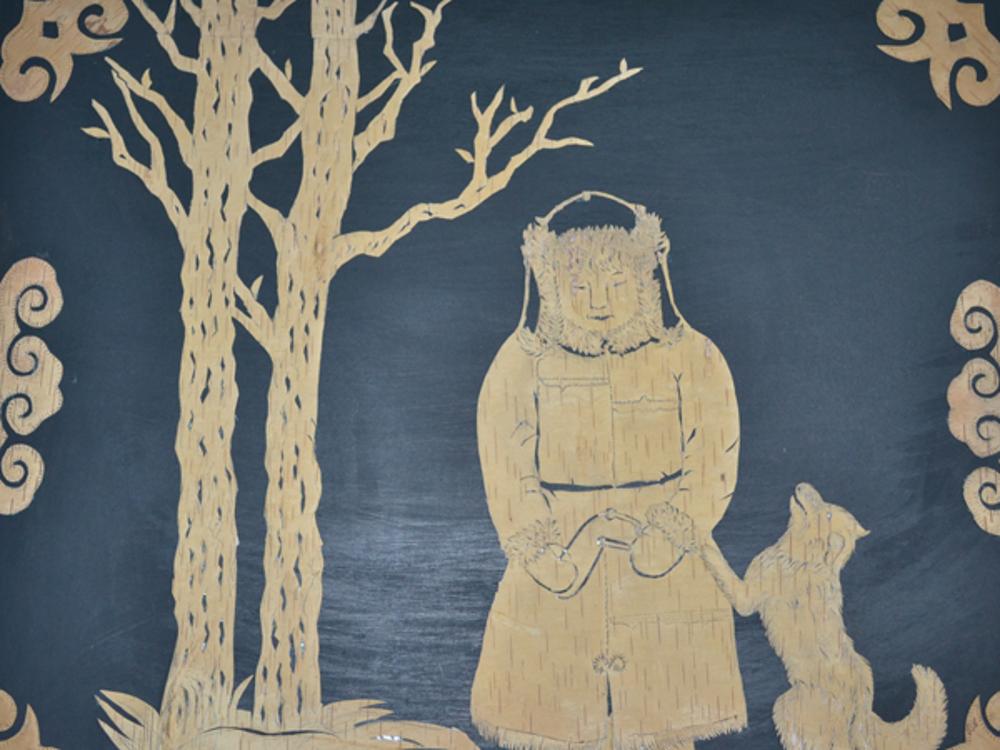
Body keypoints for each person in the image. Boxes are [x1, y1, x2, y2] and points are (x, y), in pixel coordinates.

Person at [470, 192, 746, 750]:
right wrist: (539, 548)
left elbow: (714, 451)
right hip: (560, 552)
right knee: (557, 717)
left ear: (643, 280)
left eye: (616, 285)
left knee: (663, 718)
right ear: (553, 286)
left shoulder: (688, 354)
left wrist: (676, 529)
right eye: (581, 288)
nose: (599, 302)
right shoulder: (524, 361)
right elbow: (505, 456)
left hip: (664, 556)